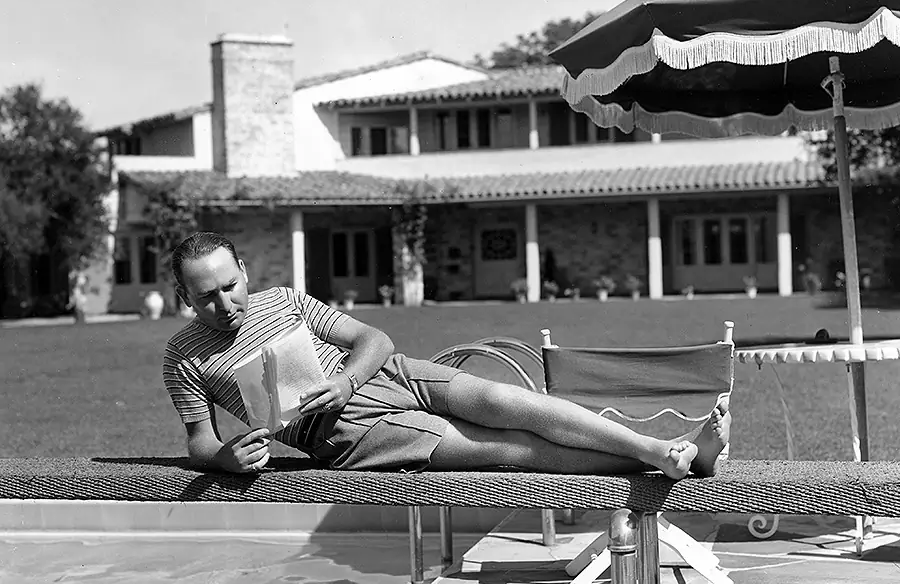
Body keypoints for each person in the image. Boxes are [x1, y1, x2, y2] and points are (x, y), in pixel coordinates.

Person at [163, 232, 730, 478]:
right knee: (511, 449)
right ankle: (674, 461)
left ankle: (656, 447)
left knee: (512, 402)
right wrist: (226, 457)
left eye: (229, 285)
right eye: (205, 296)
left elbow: (374, 341)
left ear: (244, 273)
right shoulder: (184, 357)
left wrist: (347, 380)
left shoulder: (282, 299)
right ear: (184, 297)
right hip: (346, 435)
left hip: (386, 375)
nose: (224, 303)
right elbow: (200, 440)